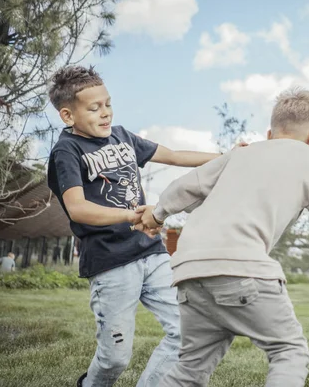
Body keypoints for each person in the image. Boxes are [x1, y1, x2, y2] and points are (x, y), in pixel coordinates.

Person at [135, 87, 309, 387]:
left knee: (190, 370)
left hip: (188, 271)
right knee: (290, 351)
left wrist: (156, 216)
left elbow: (185, 188)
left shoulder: (240, 154)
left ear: (271, 134)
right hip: (241, 268)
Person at [46, 65, 223, 387]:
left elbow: (173, 155)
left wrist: (225, 158)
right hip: (110, 262)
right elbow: (78, 209)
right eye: (94, 108)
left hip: (152, 253)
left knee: (186, 333)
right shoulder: (67, 150)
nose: (105, 114)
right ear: (68, 116)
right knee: (115, 359)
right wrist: (132, 216)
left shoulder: (123, 136)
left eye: (108, 104)